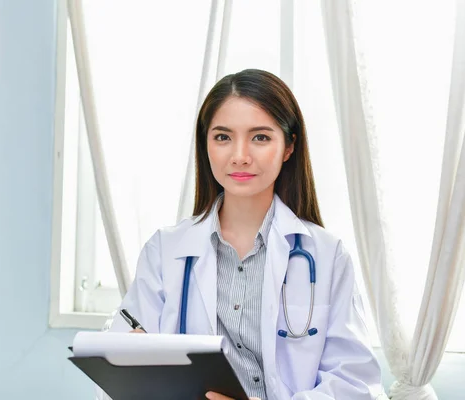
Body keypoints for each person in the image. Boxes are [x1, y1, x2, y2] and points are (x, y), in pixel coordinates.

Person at [103, 69, 384, 400]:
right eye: (223, 137)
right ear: (205, 144)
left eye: (260, 137)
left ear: (289, 146)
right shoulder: (165, 251)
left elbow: (355, 384)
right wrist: (128, 361)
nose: (240, 155)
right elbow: (113, 377)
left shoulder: (327, 256)